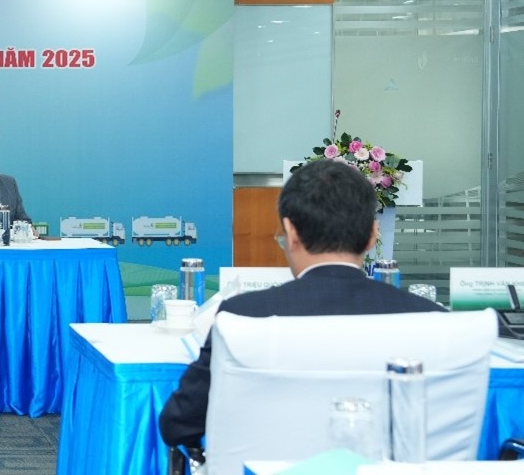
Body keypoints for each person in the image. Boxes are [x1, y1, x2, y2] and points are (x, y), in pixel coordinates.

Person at [157, 158, 443, 452]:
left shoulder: (242, 317)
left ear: (290, 233)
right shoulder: (434, 320)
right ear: (373, 235)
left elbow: (177, 424)